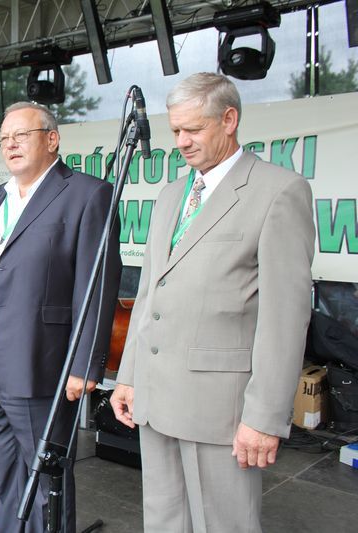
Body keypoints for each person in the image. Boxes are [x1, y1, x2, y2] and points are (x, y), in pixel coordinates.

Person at [111, 72, 315, 532]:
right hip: (155, 401)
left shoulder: (279, 191)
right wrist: (129, 376)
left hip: (221, 410)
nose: (181, 141)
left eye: (193, 129)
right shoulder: (170, 196)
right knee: (163, 521)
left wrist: (264, 417)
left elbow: (285, 320)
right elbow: (149, 295)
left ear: (229, 119)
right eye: (175, 130)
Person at [0, 102, 121, 533]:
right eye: (4, 139)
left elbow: (97, 284)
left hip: (42, 358)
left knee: (45, 472)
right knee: (5, 466)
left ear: (52, 139)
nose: (10, 145)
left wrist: (85, 364)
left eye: (21, 135)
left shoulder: (86, 194)